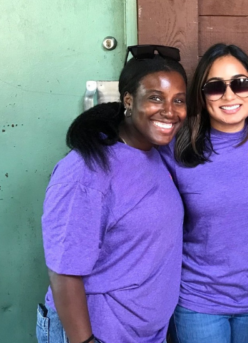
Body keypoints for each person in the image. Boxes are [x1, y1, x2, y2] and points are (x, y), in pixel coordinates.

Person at [36, 45, 188, 343]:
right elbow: (64, 271)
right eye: (155, 97)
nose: (170, 111)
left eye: (179, 100)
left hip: (141, 331)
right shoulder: (85, 171)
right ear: (129, 101)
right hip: (97, 332)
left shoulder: (156, 154)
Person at [163, 43, 248, 343]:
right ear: (202, 96)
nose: (229, 96)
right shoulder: (178, 145)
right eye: (215, 87)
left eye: (240, 84)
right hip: (198, 300)